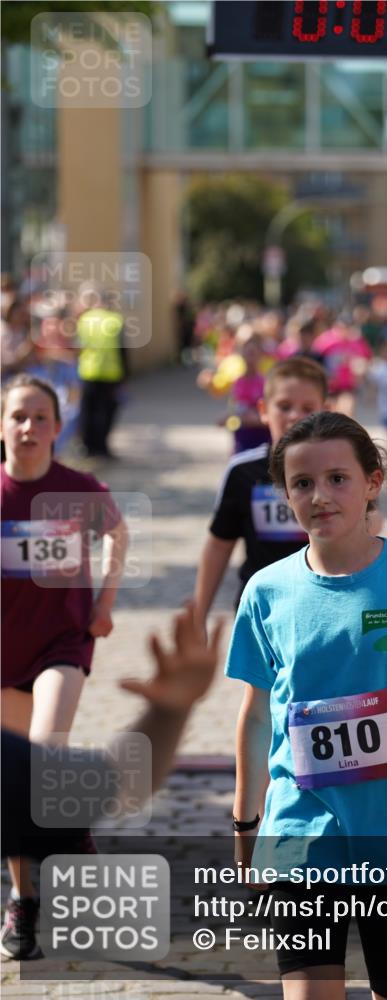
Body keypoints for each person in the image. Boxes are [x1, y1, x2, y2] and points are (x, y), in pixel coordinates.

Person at [225, 411, 387, 1000]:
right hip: (300, 833)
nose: (320, 495)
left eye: (338, 478)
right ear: (285, 494)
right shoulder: (266, 591)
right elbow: (256, 714)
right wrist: (247, 826)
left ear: (374, 482)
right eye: (302, 483)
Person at [1, 603, 223, 957]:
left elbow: (115, 782)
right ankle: (34, 885)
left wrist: (169, 711)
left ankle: (66, 848)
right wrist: (170, 711)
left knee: (48, 771)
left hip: (56, 631)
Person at [1, 374, 128, 959]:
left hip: (61, 646)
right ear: (3, 424)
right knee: (18, 785)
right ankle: (24, 903)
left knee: (46, 750)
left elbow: (117, 534)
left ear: (58, 426)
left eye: (40, 418)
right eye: (18, 416)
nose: (28, 428)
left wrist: (103, 602)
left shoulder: (78, 489)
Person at [193, 357, 328, 623]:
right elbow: (220, 544)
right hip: (260, 612)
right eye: (285, 406)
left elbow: (369, 527)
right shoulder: (243, 472)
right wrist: (199, 614)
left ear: (327, 410)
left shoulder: (341, 471)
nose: (295, 416)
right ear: (264, 410)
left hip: (325, 610)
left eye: (308, 408)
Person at [76, 287, 128, 459]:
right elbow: (123, 350)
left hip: (88, 371)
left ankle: (88, 447)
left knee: (88, 411)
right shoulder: (116, 320)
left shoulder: (85, 319)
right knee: (106, 412)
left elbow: (78, 345)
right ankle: (102, 447)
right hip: (111, 373)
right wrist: (126, 374)